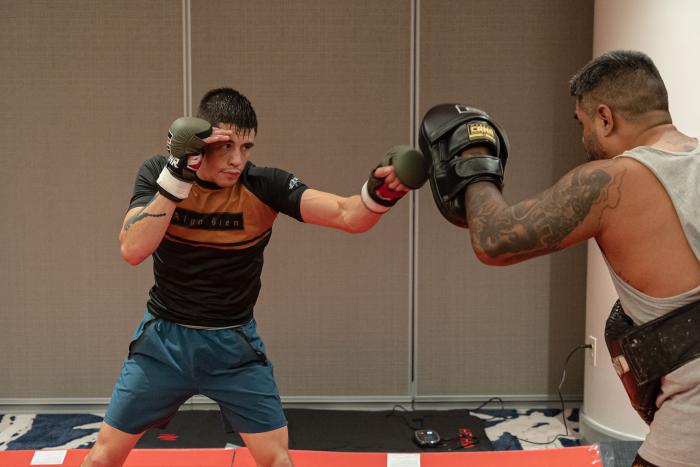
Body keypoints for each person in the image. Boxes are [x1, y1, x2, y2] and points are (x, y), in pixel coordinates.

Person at [82, 87, 427, 467]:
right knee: (101, 458)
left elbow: (348, 215)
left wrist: (381, 193)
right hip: (164, 344)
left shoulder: (264, 185)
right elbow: (132, 249)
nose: (237, 160)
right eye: (226, 146)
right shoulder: (158, 174)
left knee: (278, 461)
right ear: (201, 142)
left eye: (246, 148)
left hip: (233, 348)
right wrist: (177, 176)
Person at [419, 50, 700, 467]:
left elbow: (494, 241)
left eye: (583, 124)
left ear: (605, 117)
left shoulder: (611, 181)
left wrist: (470, 159)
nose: (584, 138)